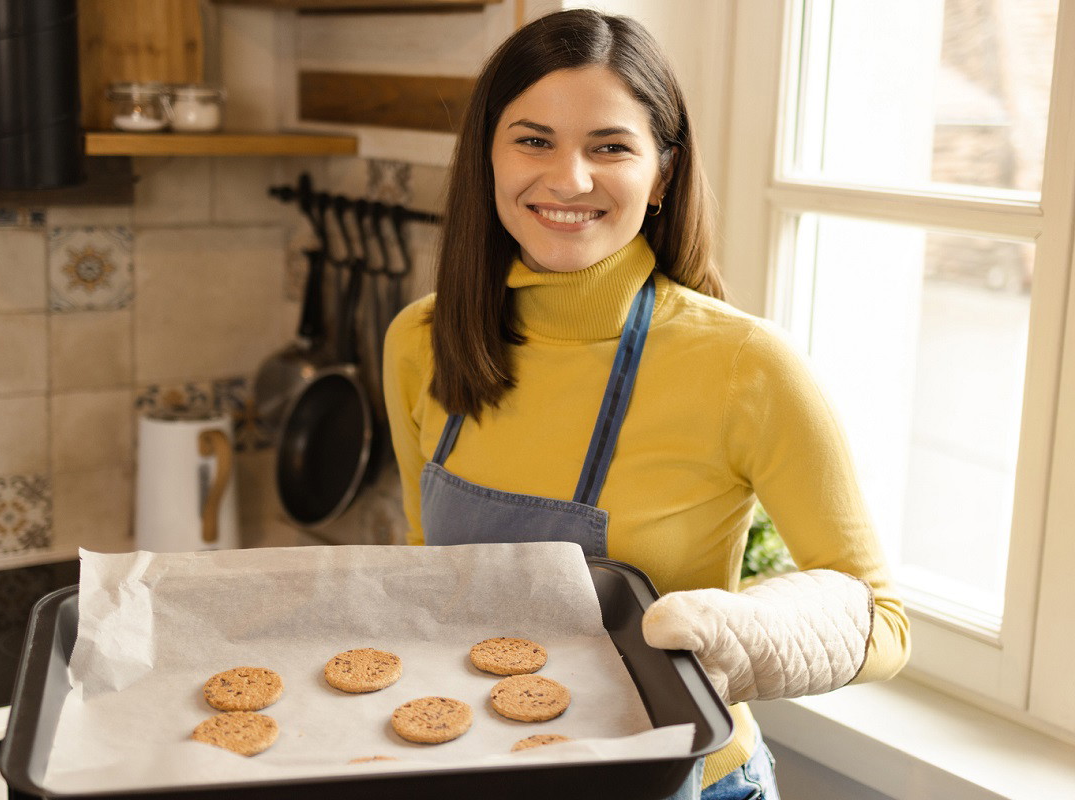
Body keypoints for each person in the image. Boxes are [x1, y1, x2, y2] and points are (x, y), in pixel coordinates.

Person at [383, 9, 910, 799]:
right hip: (480, 769)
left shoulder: (745, 365)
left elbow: (884, 622)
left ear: (662, 172)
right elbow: (433, 572)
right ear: (486, 158)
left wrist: (745, 634)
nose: (569, 179)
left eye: (610, 146)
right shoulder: (420, 340)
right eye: (533, 140)